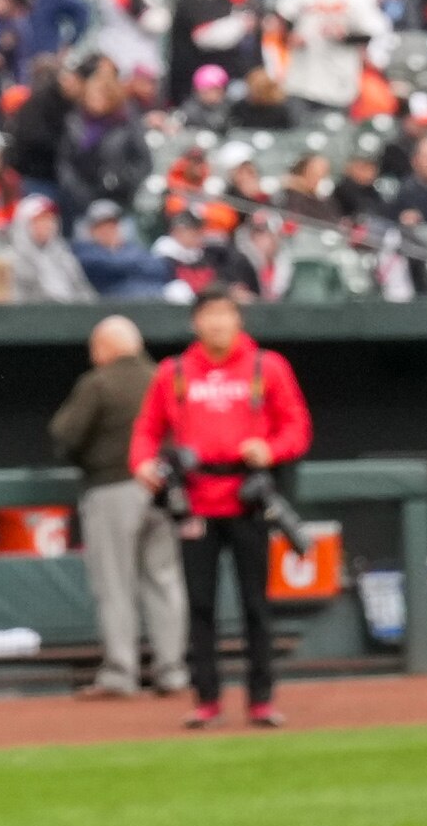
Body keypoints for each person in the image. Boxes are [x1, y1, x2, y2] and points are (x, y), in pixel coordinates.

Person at [133, 293, 312, 729]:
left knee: (256, 604)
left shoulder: (266, 367)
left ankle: (261, 700)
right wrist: (141, 464)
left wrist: (269, 449)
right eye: (208, 315)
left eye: (225, 314)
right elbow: (147, 429)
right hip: (194, 501)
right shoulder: (172, 372)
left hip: (248, 498)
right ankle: (207, 698)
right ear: (196, 323)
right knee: (200, 605)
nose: (217, 324)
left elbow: (297, 427)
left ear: (238, 319)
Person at [51, 312, 183, 700]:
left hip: (114, 488)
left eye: (96, 349)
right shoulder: (166, 378)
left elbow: (65, 434)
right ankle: (172, 672)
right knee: (164, 580)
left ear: (106, 348)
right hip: (165, 489)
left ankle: (121, 674)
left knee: (115, 584)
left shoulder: (100, 382)